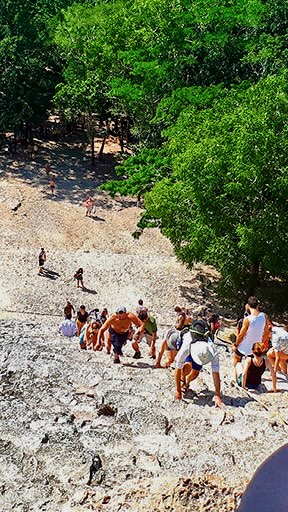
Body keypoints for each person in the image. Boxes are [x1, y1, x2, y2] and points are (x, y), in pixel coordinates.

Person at [174, 319, 224, 408]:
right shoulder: (186, 346)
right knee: (187, 366)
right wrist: (178, 390)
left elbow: (215, 373)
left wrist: (217, 396)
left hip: (199, 348)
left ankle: (186, 383)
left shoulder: (212, 350)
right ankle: (182, 380)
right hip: (188, 343)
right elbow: (178, 367)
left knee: (195, 373)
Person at [233, 296, 271, 379]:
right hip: (255, 347)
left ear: (248, 306)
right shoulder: (264, 316)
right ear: (258, 305)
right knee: (251, 364)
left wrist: (236, 344)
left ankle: (237, 379)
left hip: (244, 346)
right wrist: (262, 341)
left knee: (237, 360)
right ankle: (249, 378)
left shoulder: (247, 319)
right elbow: (268, 329)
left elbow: (241, 335)